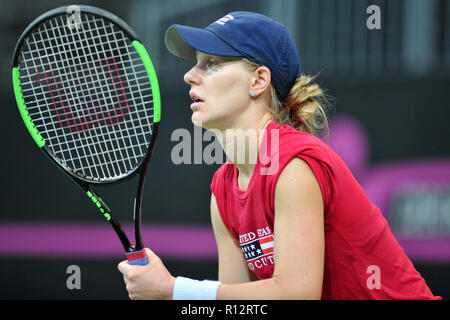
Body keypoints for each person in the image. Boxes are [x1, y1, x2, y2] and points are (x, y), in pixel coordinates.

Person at [118, 11, 441, 300]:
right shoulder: (223, 190)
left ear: (258, 81)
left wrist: (175, 291)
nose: (191, 75)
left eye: (212, 64)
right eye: (195, 63)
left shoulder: (294, 164)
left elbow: (297, 295)